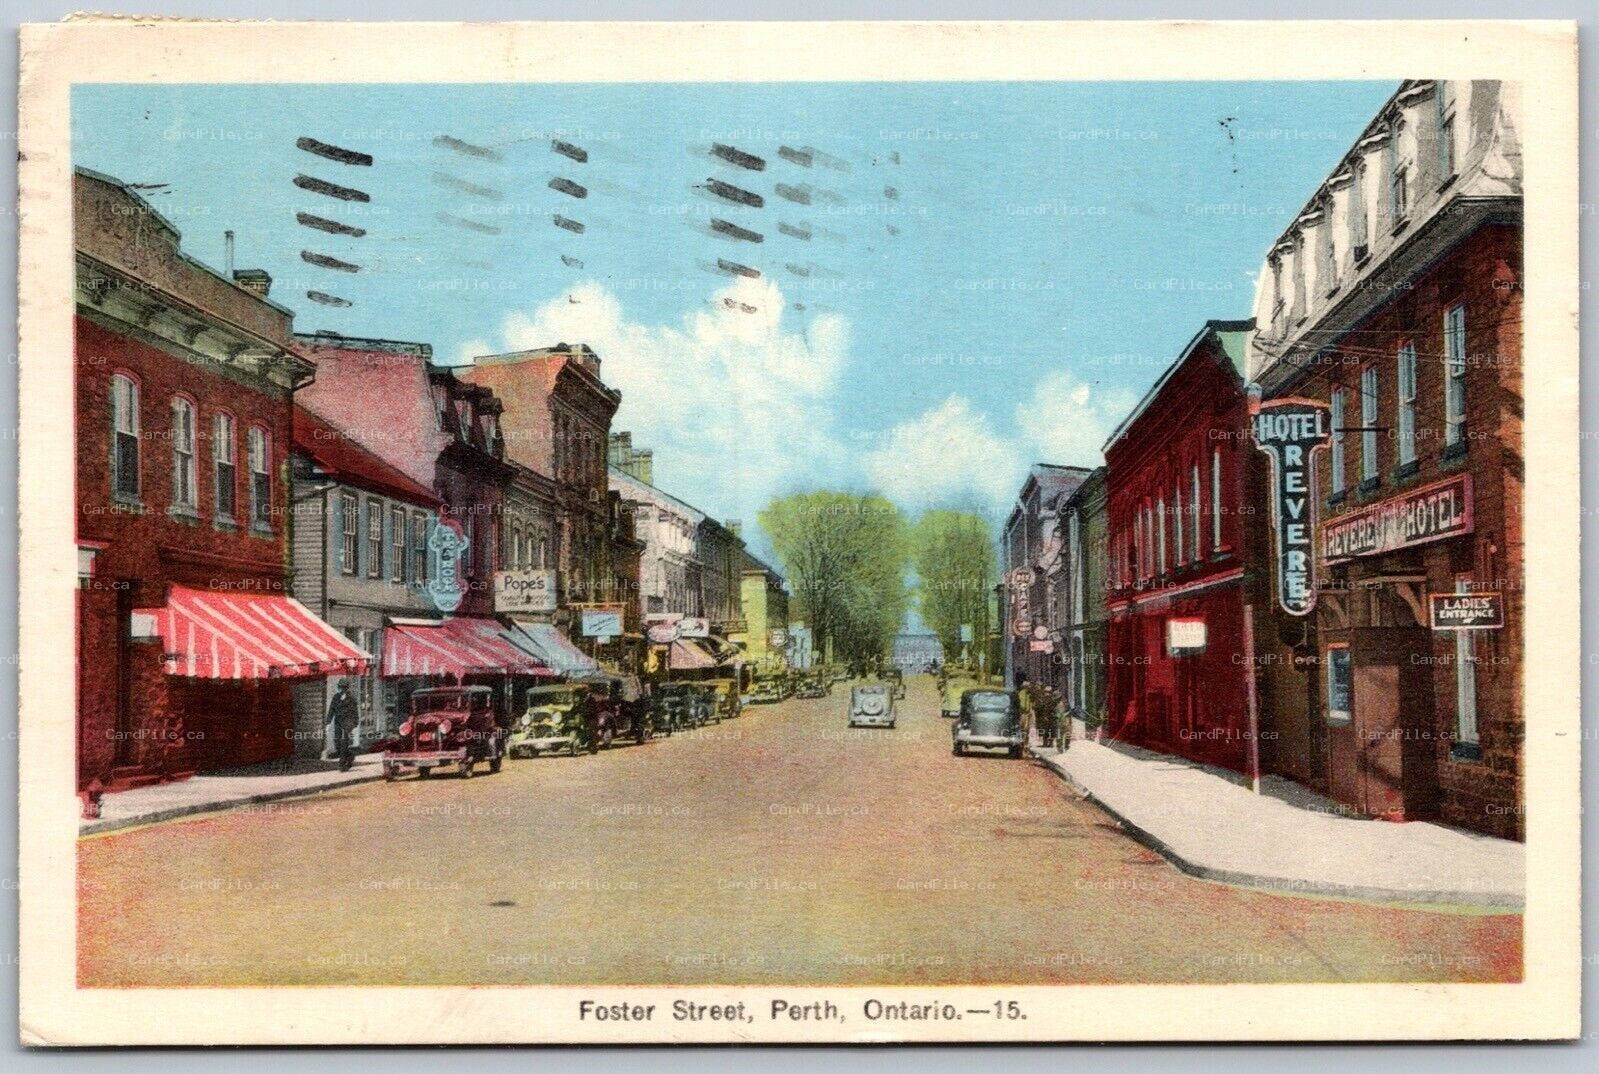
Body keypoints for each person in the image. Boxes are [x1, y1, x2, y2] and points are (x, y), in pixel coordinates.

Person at [327, 679, 360, 772]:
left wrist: (354, 723)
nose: (341, 689)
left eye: (343, 687)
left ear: (346, 688)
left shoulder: (351, 698)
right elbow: (331, 710)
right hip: (337, 723)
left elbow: (355, 712)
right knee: (337, 743)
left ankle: (342, 765)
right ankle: (350, 756)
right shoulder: (336, 697)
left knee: (343, 743)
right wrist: (328, 722)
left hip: (347, 723)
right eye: (340, 687)